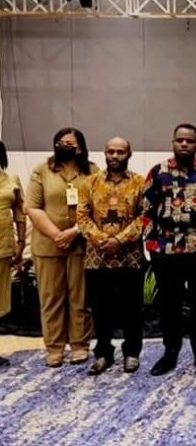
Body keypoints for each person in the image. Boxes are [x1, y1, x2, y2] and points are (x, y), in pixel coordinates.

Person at [142, 124, 196, 376]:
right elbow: (146, 209)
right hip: (166, 249)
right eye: (180, 140)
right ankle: (170, 353)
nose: (184, 144)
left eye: (189, 141)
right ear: (173, 142)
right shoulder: (158, 172)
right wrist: (151, 243)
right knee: (169, 304)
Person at [26, 128, 97, 368]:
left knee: (80, 297)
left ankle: (79, 345)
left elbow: (98, 206)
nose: (63, 146)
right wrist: (57, 235)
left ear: (80, 147)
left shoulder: (92, 171)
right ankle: (54, 347)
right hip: (48, 245)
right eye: (60, 142)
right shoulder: (42, 170)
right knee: (51, 298)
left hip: (81, 244)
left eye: (69, 143)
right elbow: (32, 207)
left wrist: (74, 231)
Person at [76, 137, 145, 375]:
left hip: (130, 257)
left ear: (129, 154)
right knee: (100, 308)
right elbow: (82, 216)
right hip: (97, 258)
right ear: (105, 153)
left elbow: (145, 216)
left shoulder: (140, 182)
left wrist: (120, 240)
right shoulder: (90, 182)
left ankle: (132, 353)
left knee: (132, 309)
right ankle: (103, 353)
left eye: (120, 152)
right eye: (111, 151)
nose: (115, 156)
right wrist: (100, 239)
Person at [0, 141, 25, 367]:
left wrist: (21, 242)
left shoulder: (12, 179)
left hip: (3, 247)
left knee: (0, 298)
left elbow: (19, 213)